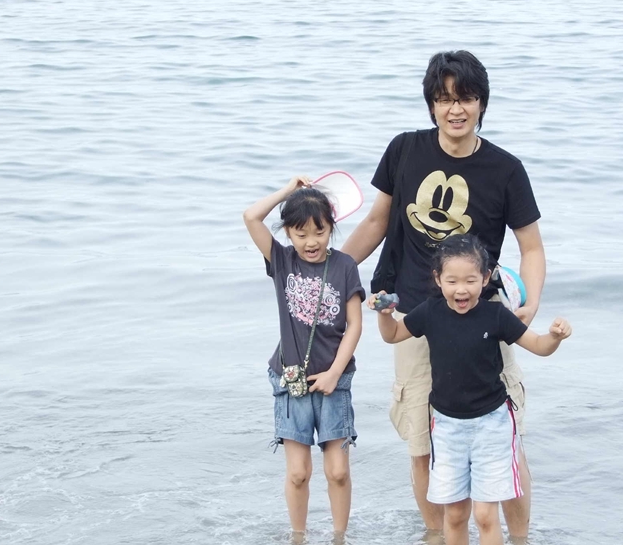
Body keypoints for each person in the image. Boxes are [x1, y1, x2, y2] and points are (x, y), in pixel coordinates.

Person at [341, 50, 546, 538]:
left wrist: (529, 303)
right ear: (431, 104)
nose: (456, 109)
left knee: (506, 441)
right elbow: (375, 222)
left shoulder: (506, 169)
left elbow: (532, 246)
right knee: (421, 441)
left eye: (466, 98)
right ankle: (437, 537)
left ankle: (519, 539)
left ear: (482, 104)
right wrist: (335, 275)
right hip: (415, 314)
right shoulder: (404, 150)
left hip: (484, 316)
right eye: (444, 99)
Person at [369, 235, 571, 545]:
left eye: (470, 280)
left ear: (485, 278)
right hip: (446, 428)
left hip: (492, 425)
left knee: (486, 515)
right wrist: (385, 315)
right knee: (455, 514)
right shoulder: (430, 311)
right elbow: (393, 334)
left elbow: (539, 346)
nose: (461, 289)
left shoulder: (496, 315)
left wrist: (554, 337)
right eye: (452, 281)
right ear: (438, 279)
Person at [243, 177, 366, 540]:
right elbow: (251, 217)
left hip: (334, 381)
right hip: (291, 379)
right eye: (301, 234)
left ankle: (339, 537)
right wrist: (288, 191)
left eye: (320, 232)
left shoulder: (345, 266)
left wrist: (334, 373)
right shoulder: (281, 260)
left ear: (331, 227)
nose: (311, 241)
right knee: (298, 473)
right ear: (288, 233)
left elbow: (355, 326)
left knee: (338, 471)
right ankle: (298, 536)